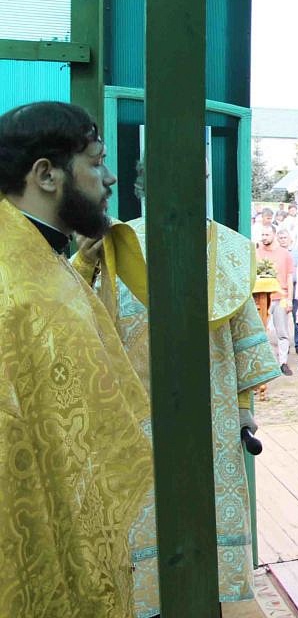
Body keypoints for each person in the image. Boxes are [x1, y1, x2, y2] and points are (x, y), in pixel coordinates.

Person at [75, 159, 280, 616]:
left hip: (210, 418)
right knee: (141, 523)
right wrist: (84, 261)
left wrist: (242, 407)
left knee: (204, 530)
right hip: (133, 416)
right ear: (142, 186)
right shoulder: (113, 244)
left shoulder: (226, 248)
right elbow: (75, 314)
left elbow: (240, 333)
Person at [0, 101, 152, 615]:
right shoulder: (15, 281)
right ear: (46, 175)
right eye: (96, 161)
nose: (110, 177)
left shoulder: (38, 254)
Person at [256, 223, 296, 375]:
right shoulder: (257, 253)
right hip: (262, 298)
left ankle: (283, 362)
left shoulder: (285, 254)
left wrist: (290, 299)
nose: (264, 237)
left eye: (267, 235)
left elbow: (290, 277)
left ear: (274, 235)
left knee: (282, 331)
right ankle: (265, 363)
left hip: (280, 297)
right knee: (262, 331)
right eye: (262, 235)